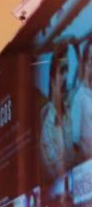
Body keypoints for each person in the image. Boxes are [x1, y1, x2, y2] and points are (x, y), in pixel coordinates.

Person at [41, 47, 75, 178]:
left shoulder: (67, 112)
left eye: (67, 70)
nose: (65, 77)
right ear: (52, 79)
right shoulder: (46, 122)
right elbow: (56, 174)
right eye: (61, 71)